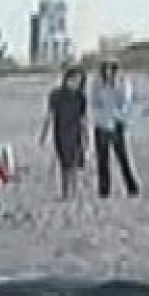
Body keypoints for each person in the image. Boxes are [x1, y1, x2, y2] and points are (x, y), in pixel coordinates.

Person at [91, 61, 141, 197]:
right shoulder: (98, 84)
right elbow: (95, 102)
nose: (108, 73)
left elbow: (125, 102)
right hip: (101, 124)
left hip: (117, 123)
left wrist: (116, 85)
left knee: (123, 157)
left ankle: (132, 187)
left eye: (111, 70)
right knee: (102, 160)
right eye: (105, 70)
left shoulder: (123, 83)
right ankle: (104, 190)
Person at [40, 67, 88, 200]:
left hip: (76, 132)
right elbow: (49, 116)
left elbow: (83, 118)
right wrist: (43, 135)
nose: (74, 83)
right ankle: (66, 192)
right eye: (72, 79)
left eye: (78, 81)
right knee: (65, 164)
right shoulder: (55, 95)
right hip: (61, 133)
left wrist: (86, 136)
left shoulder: (81, 97)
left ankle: (74, 191)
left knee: (75, 163)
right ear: (66, 79)